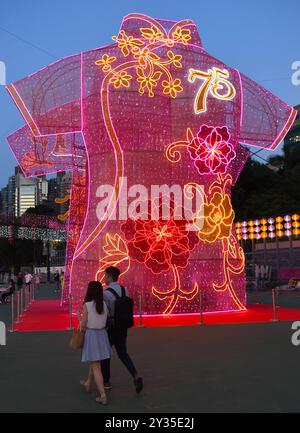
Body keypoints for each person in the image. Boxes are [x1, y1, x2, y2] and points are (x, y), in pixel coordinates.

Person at [101, 266, 143, 394]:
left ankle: (106, 381)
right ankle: (135, 375)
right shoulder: (125, 290)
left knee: (105, 354)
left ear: (109, 276)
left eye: (105, 275)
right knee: (123, 353)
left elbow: (105, 312)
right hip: (123, 326)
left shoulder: (106, 293)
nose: (104, 278)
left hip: (110, 328)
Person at [80, 281, 111, 405]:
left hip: (92, 335)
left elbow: (83, 326)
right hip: (102, 335)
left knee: (96, 365)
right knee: (95, 362)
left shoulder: (87, 305)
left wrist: (80, 320)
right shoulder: (103, 305)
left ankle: (103, 395)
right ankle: (88, 383)